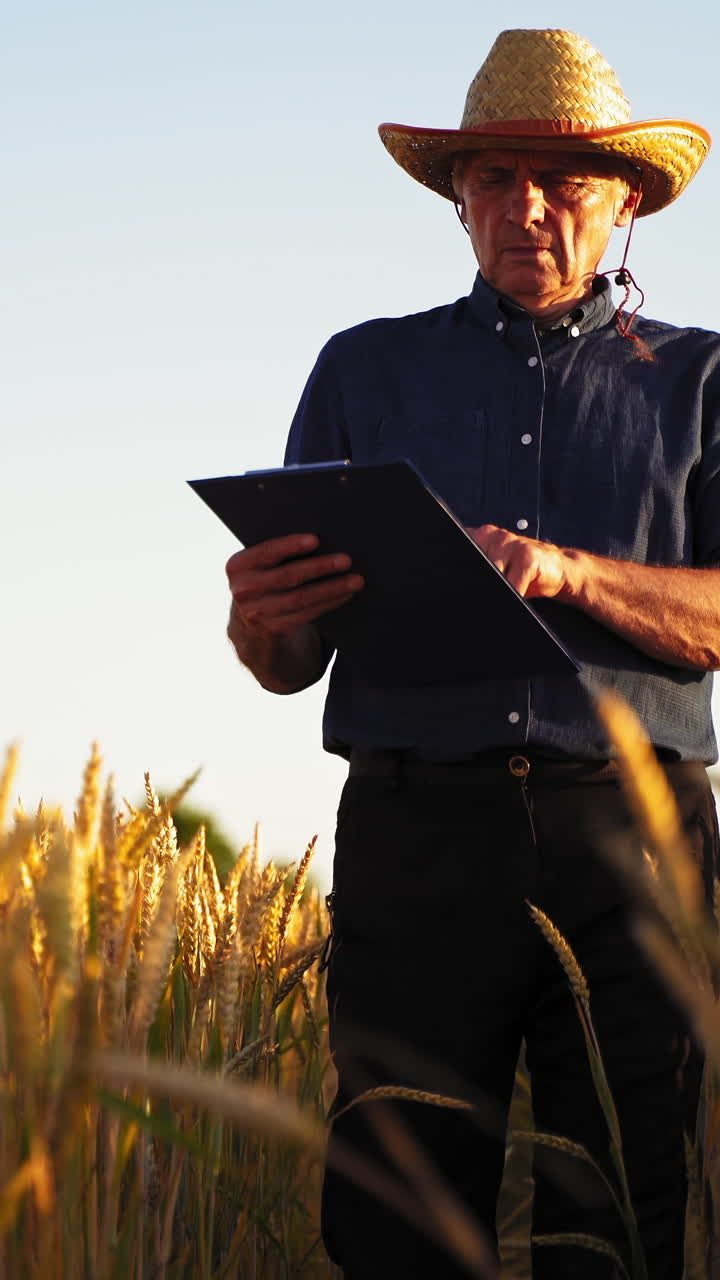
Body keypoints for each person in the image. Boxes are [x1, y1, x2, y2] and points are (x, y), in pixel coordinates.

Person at [225, 28, 720, 1280]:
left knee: (624, 1210)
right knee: (398, 1214)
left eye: (562, 181)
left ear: (625, 200)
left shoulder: (704, 382)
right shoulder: (363, 368)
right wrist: (261, 613)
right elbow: (287, 664)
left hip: (638, 842)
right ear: (457, 201)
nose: (527, 209)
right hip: (414, 840)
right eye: (493, 178)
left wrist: (569, 571)